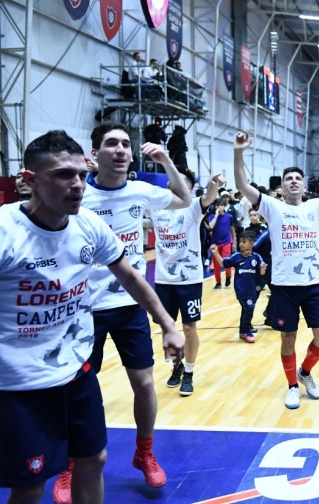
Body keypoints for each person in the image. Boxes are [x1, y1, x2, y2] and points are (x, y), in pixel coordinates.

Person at [0, 130, 183, 504]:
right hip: (20, 383)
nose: (77, 185)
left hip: (75, 368)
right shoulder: (6, 232)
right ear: (30, 181)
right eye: (63, 175)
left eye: (79, 175)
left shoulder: (87, 224)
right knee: (31, 484)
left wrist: (168, 325)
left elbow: (131, 275)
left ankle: (144, 453)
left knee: (95, 458)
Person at [51, 122, 192, 502]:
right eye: (111, 144)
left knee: (145, 384)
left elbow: (184, 197)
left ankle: (144, 453)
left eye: (126, 144)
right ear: (93, 155)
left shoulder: (142, 190)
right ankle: (68, 465)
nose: (120, 150)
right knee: (75, 391)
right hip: (83, 308)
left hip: (130, 305)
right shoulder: (77, 195)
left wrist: (165, 160)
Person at [232, 132, 319, 410]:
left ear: (305, 185)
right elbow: (242, 184)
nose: (293, 181)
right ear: (282, 187)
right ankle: (292, 386)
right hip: (283, 286)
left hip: (311, 286)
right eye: (288, 179)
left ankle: (305, 372)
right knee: (288, 338)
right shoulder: (272, 207)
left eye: (298, 178)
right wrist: (238, 152)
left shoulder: (317, 206)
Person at [150, 172, 222, 396]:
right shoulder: (156, 206)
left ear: (189, 188)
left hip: (189, 279)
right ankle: (177, 366)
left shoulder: (192, 209)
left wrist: (214, 185)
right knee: (167, 329)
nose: (172, 181)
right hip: (163, 279)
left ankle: (189, 372)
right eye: (171, 178)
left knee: (189, 329)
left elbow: (209, 198)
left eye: (180, 179)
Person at [210, 233, 267, 343]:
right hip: (241, 289)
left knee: (246, 309)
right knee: (249, 308)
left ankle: (243, 331)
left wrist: (263, 268)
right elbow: (223, 263)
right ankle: (246, 331)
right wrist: (215, 252)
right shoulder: (236, 257)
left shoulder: (256, 257)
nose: (241, 244)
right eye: (240, 242)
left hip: (252, 289)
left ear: (251, 244)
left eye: (244, 242)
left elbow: (261, 272)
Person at [208, 199, 237, 289]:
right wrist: (216, 215)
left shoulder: (229, 216)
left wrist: (234, 242)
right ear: (215, 207)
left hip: (226, 242)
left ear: (224, 206)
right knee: (216, 264)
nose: (219, 207)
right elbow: (211, 226)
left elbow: (232, 229)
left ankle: (228, 276)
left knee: (226, 261)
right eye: (217, 205)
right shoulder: (212, 216)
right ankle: (218, 282)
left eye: (221, 205)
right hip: (215, 243)